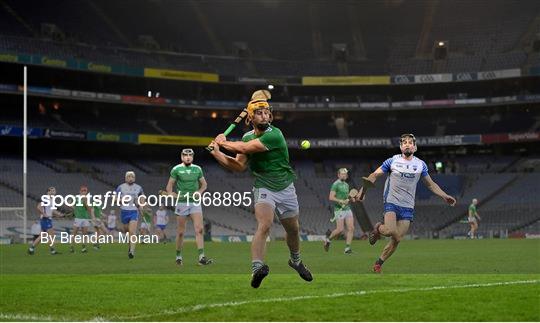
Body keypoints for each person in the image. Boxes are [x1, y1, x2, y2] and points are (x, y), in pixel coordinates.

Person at [209, 93, 313, 288]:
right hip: (264, 186)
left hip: (285, 186)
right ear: (251, 118)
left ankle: (296, 261)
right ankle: (257, 268)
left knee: (293, 229)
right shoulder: (247, 136)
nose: (264, 116)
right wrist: (217, 153)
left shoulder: (275, 134)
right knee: (264, 225)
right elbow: (239, 166)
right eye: (259, 113)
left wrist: (222, 142)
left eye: (266, 113)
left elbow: (246, 148)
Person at [361, 134, 456, 273]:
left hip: (407, 206)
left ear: (415, 147)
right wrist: (362, 191)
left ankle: (378, 263)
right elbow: (374, 175)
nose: (407, 144)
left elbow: (430, 184)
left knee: (397, 239)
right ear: (400, 147)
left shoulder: (420, 165)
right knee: (389, 231)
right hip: (391, 201)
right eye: (404, 142)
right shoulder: (392, 161)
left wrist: (444, 195)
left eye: (410, 142)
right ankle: (378, 228)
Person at [166, 148, 213, 266]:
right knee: (181, 232)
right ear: (182, 157)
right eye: (185, 155)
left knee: (200, 229)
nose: (187, 157)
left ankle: (201, 257)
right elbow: (169, 186)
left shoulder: (198, 169)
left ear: (192, 157)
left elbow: (204, 185)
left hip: (195, 202)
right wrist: (171, 194)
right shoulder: (176, 169)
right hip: (182, 202)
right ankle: (178, 256)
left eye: (190, 155)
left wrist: (200, 192)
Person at [324, 168, 355, 254]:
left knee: (351, 228)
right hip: (339, 209)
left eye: (345, 174)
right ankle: (328, 239)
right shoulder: (335, 184)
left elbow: (347, 196)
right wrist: (340, 201)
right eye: (342, 174)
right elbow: (331, 197)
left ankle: (347, 248)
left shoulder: (346, 185)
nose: (344, 175)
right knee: (340, 229)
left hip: (347, 208)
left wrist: (351, 198)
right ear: (338, 175)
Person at [115, 171, 145, 259]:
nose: (130, 178)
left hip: (133, 211)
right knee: (127, 232)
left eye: (132, 176)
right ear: (125, 178)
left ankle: (132, 250)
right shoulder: (121, 187)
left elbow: (142, 197)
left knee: (132, 232)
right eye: (129, 176)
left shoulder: (138, 187)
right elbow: (115, 199)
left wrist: (141, 205)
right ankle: (130, 247)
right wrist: (122, 201)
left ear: (134, 178)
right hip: (124, 211)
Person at [28, 187, 64, 255]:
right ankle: (53, 251)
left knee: (42, 236)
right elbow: (38, 207)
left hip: (47, 219)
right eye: (52, 190)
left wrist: (59, 214)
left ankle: (31, 249)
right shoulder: (46, 199)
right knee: (51, 235)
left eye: (54, 190)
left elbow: (52, 210)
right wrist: (44, 214)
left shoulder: (52, 200)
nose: (54, 192)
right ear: (48, 192)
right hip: (45, 220)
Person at [69, 185, 95, 254]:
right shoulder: (76, 198)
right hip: (78, 218)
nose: (84, 192)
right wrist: (75, 209)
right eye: (83, 190)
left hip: (85, 218)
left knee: (85, 233)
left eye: (85, 190)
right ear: (80, 191)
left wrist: (86, 203)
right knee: (74, 233)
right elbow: (69, 203)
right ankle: (71, 247)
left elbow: (89, 209)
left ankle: (84, 247)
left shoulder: (87, 199)